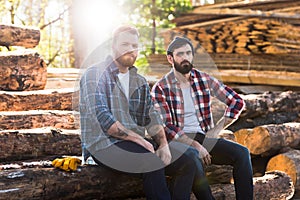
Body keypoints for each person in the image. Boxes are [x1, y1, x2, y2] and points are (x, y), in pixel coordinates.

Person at [79, 25, 210, 199]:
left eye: (134, 46)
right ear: (113, 46)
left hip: (137, 146)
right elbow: (103, 117)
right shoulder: (95, 74)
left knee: (189, 158)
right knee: (152, 162)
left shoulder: (138, 81)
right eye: (125, 44)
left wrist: (163, 144)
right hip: (102, 146)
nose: (130, 50)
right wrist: (140, 140)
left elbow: (152, 117)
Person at [151, 36, 254, 200]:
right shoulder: (160, 87)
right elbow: (166, 125)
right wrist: (195, 145)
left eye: (188, 53)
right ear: (170, 58)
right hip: (177, 142)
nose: (185, 57)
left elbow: (237, 101)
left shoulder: (204, 79)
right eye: (180, 54)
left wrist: (217, 129)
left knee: (242, 153)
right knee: (192, 156)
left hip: (203, 137)